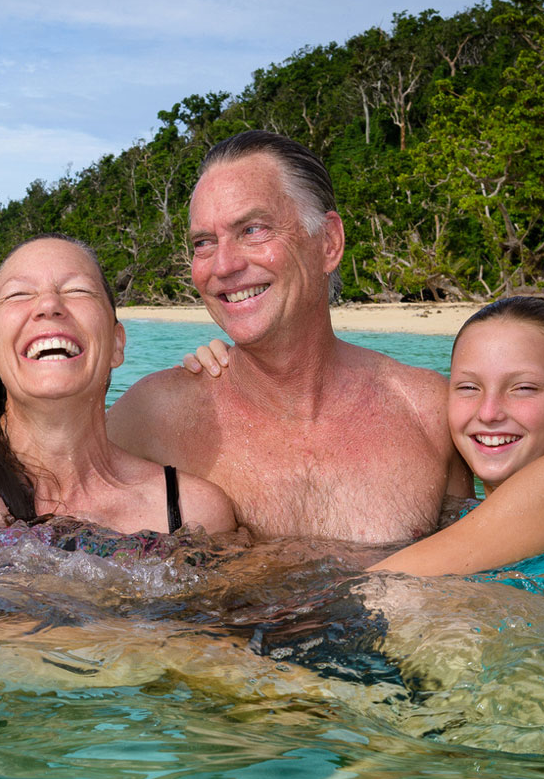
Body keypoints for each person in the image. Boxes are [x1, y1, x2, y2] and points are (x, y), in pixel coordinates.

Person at [106, 130, 471, 544]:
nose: (223, 266)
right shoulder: (152, 417)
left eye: (253, 230)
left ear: (329, 243)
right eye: (204, 242)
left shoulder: (428, 414)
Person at [187, 297, 544, 574]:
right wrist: (244, 368)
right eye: (468, 388)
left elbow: (384, 586)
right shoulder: (469, 518)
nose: (490, 412)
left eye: (524, 388)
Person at [0, 234, 236, 545]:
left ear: (117, 345)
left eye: (78, 291)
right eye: (20, 295)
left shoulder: (192, 515)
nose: (49, 305)